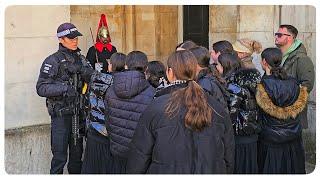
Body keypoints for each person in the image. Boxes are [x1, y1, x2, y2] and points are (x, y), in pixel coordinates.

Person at [126, 50, 234, 174]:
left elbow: (139, 157)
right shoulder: (216, 106)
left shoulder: (156, 107)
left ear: (170, 72)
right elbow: (229, 156)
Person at [36, 22, 94, 174]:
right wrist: (65, 89)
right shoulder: (52, 61)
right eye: (70, 38)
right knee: (59, 159)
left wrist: (87, 73)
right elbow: (41, 88)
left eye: (76, 37)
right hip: (61, 117)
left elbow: (93, 80)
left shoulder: (81, 59)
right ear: (61, 39)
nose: (75, 40)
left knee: (76, 159)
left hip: (78, 115)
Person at [256, 47, 308, 173]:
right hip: (293, 136)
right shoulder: (294, 82)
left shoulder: (264, 85)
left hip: (271, 140)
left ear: (264, 62)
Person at [104, 51, 155, 173]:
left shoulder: (111, 90)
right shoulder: (152, 92)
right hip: (141, 156)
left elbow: (108, 122)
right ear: (146, 68)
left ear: (126, 66)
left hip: (117, 151)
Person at [81, 52, 126, 174]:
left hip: (97, 132)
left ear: (110, 65)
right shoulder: (128, 83)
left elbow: (86, 73)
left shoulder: (98, 79)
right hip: (119, 135)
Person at [217, 53, 261, 174]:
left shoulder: (232, 86)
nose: (217, 68)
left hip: (239, 135)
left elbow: (230, 115)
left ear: (225, 66)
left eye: (218, 65)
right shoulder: (250, 82)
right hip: (251, 132)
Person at [274, 24, 315, 128]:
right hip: (277, 113)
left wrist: (290, 108)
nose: (276, 37)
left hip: (292, 115)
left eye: (279, 35)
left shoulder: (302, 58)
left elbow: (306, 86)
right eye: (276, 34)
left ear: (290, 38)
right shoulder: (278, 56)